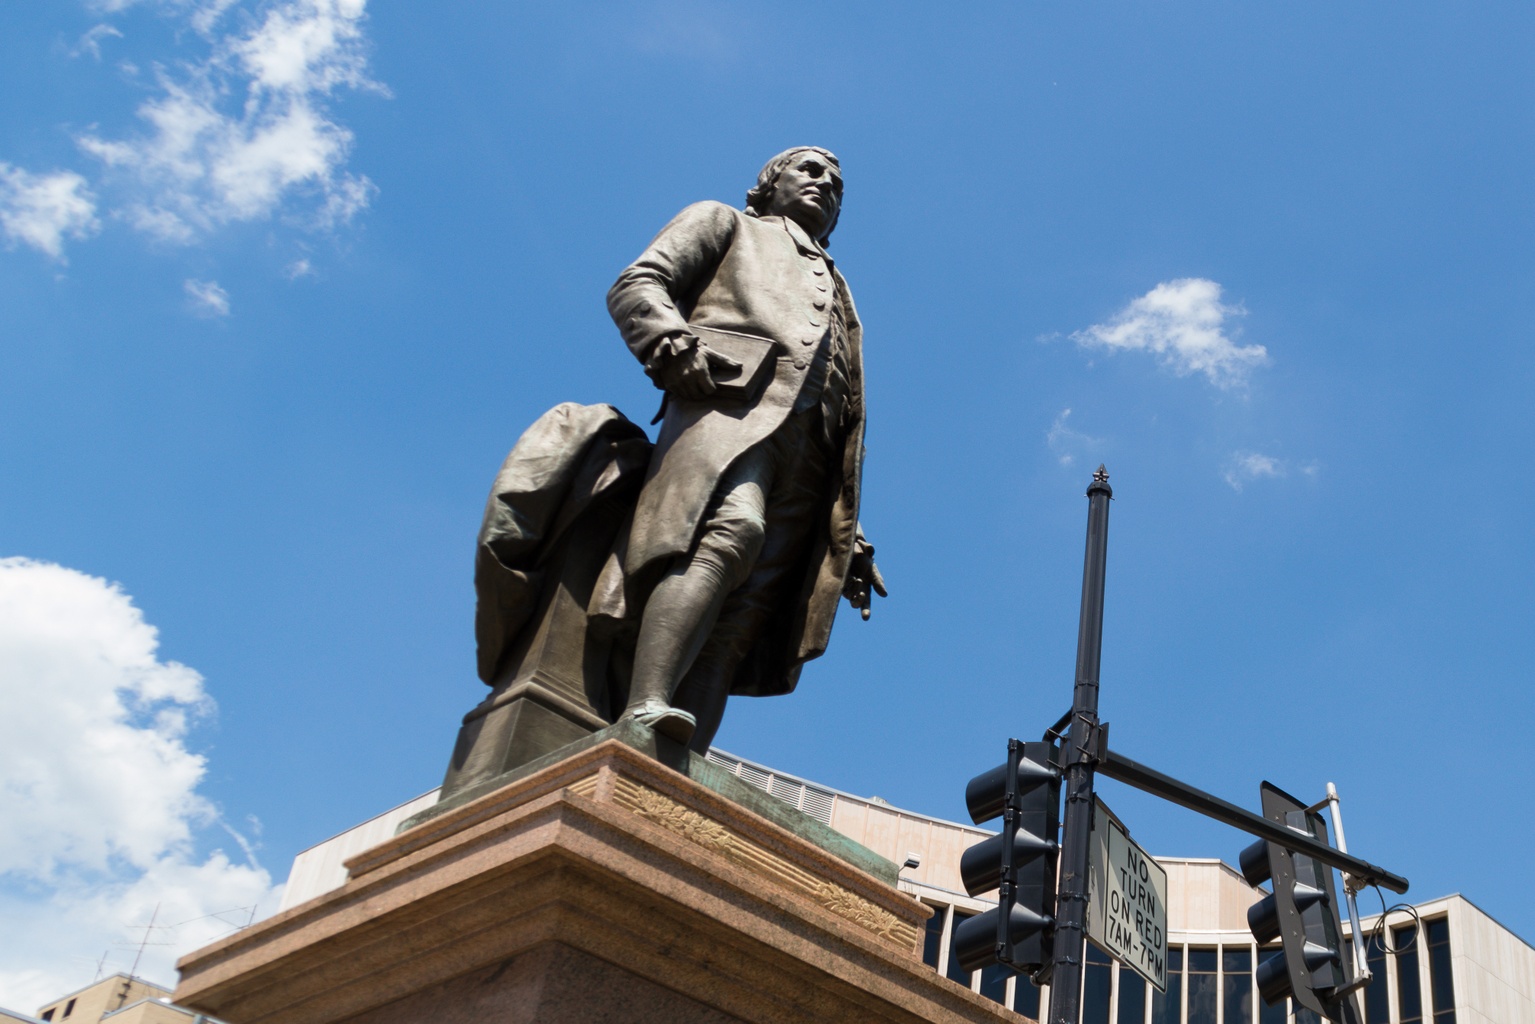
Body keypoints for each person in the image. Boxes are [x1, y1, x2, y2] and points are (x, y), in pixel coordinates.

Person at [606, 146, 885, 751]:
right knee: (731, 531)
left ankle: (684, 759)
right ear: (768, 183)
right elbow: (639, 283)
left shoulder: (839, 285)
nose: (825, 185)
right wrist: (669, 342)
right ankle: (644, 707)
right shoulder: (725, 221)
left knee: (747, 614)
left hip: (811, 454)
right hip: (731, 411)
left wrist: (847, 530)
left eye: (837, 184)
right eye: (809, 171)